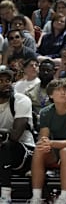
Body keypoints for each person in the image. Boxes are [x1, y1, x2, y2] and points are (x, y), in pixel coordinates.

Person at [29, 78, 66, 204]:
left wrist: (51, 143)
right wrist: (46, 143)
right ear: (51, 95)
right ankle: (36, 197)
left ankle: (64, 197)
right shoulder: (45, 112)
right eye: (58, 90)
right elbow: (44, 137)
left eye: (65, 90)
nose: (63, 93)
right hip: (54, 149)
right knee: (40, 149)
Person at [0, 66, 35, 204]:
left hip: (25, 152)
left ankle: (5, 195)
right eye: (1, 81)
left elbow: (14, 136)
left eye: (8, 80)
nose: (6, 83)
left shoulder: (21, 100)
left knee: (6, 145)